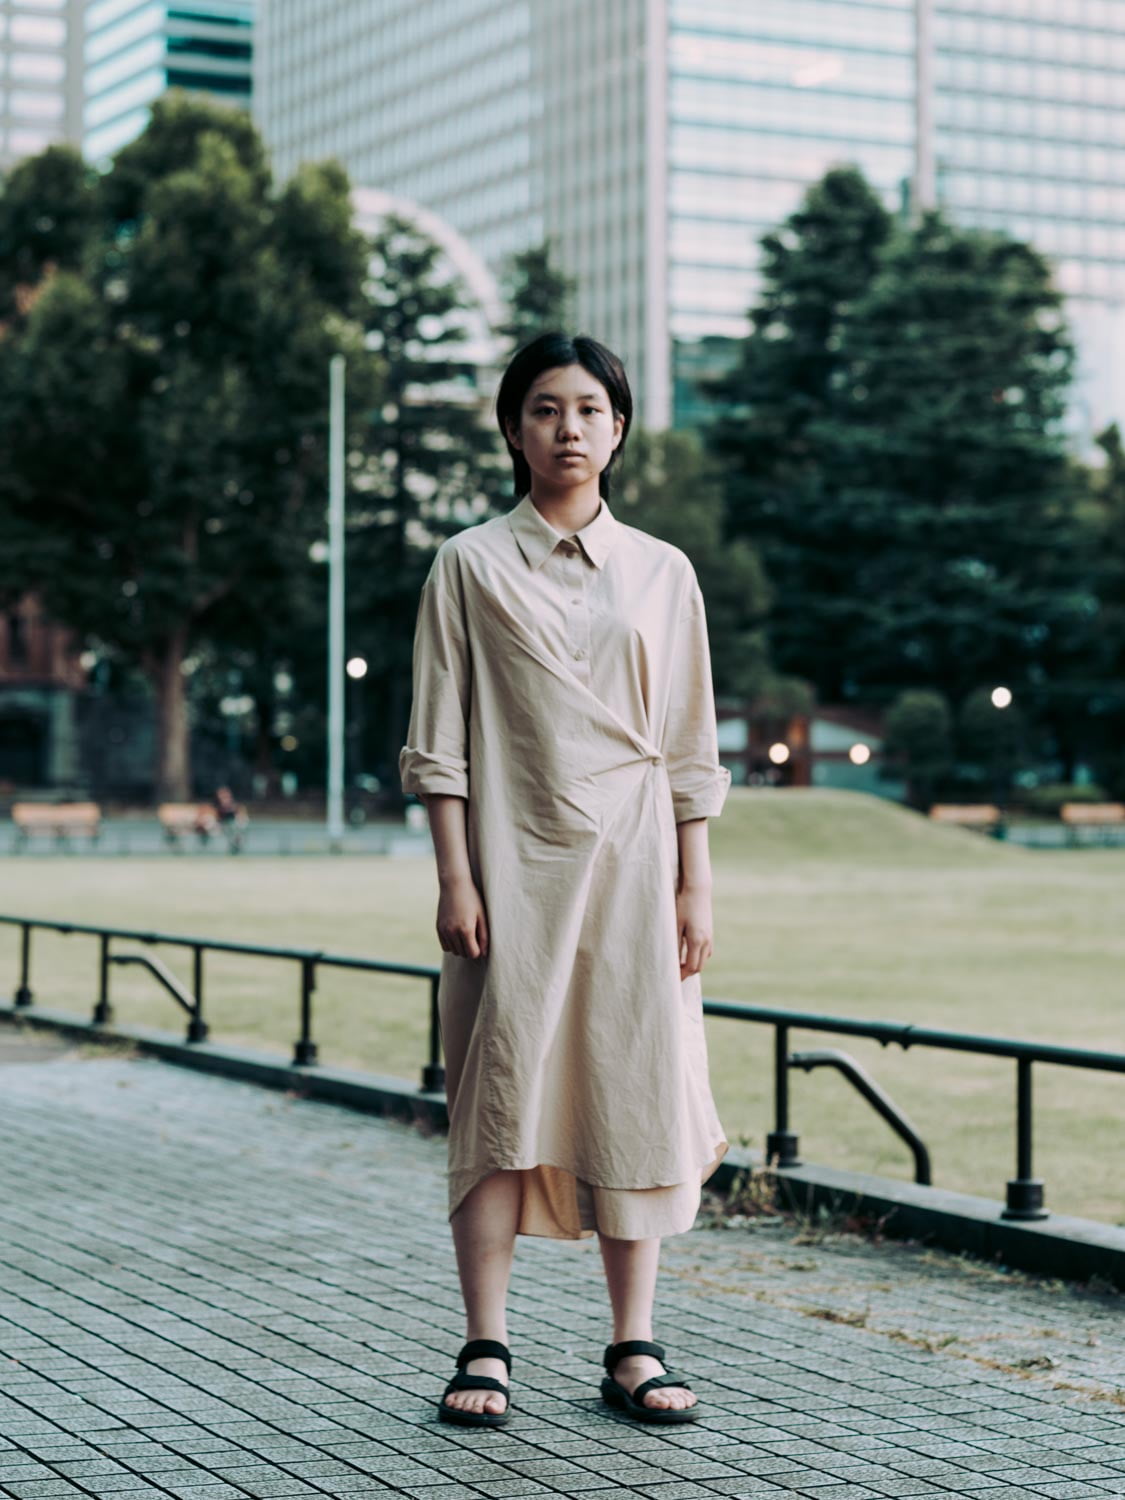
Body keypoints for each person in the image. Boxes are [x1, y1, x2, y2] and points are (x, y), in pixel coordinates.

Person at [399, 331, 731, 1429]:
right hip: (512, 868)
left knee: (633, 1088)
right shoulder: (469, 564)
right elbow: (439, 741)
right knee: (498, 1099)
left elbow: (689, 747)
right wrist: (456, 878)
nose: (569, 429)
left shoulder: (663, 573)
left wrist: (697, 884)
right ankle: (484, 1342)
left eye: (590, 409)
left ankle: (633, 1344)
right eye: (545, 409)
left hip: (639, 869)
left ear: (621, 429)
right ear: (512, 428)